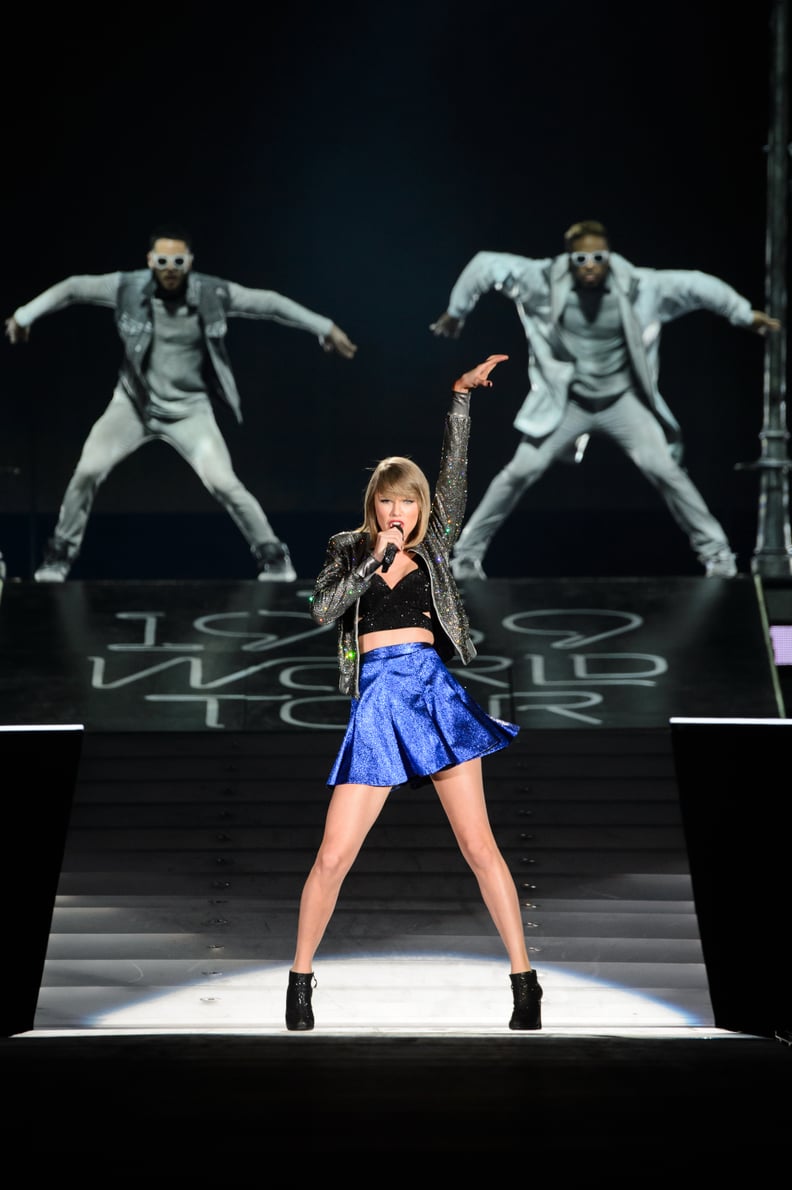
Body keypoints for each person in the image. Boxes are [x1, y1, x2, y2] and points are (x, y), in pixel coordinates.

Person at [285, 353, 543, 1033]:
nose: (398, 510)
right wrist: (373, 556)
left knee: (479, 846)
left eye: (408, 500)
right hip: (377, 704)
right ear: (373, 505)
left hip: (432, 695)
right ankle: (300, 980)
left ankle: (525, 982)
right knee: (333, 855)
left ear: (420, 507)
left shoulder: (437, 549)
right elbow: (322, 609)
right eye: (387, 499)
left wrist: (460, 397)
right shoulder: (349, 548)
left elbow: (455, 478)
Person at [430, 219, 782, 580]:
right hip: (569, 403)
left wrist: (741, 312)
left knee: (665, 471)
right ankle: (465, 558)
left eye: (598, 257)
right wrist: (458, 311)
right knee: (520, 472)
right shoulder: (542, 281)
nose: (590, 265)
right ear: (569, 260)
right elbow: (486, 264)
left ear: (610, 256)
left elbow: (697, 284)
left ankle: (719, 558)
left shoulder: (641, 287)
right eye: (581, 259)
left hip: (621, 402)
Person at [4, 223, 358, 582]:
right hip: (132, 406)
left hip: (189, 411)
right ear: (150, 261)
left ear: (189, 262)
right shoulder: (127, 287)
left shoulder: (212, 293)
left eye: (177, 260)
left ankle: (273, 557)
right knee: (88, 471)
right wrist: (24, 315)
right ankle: (59, 555)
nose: (169, 268)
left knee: (223, 482)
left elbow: (268, 303)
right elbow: (72, 288)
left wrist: (323, 327)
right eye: (162, 260)